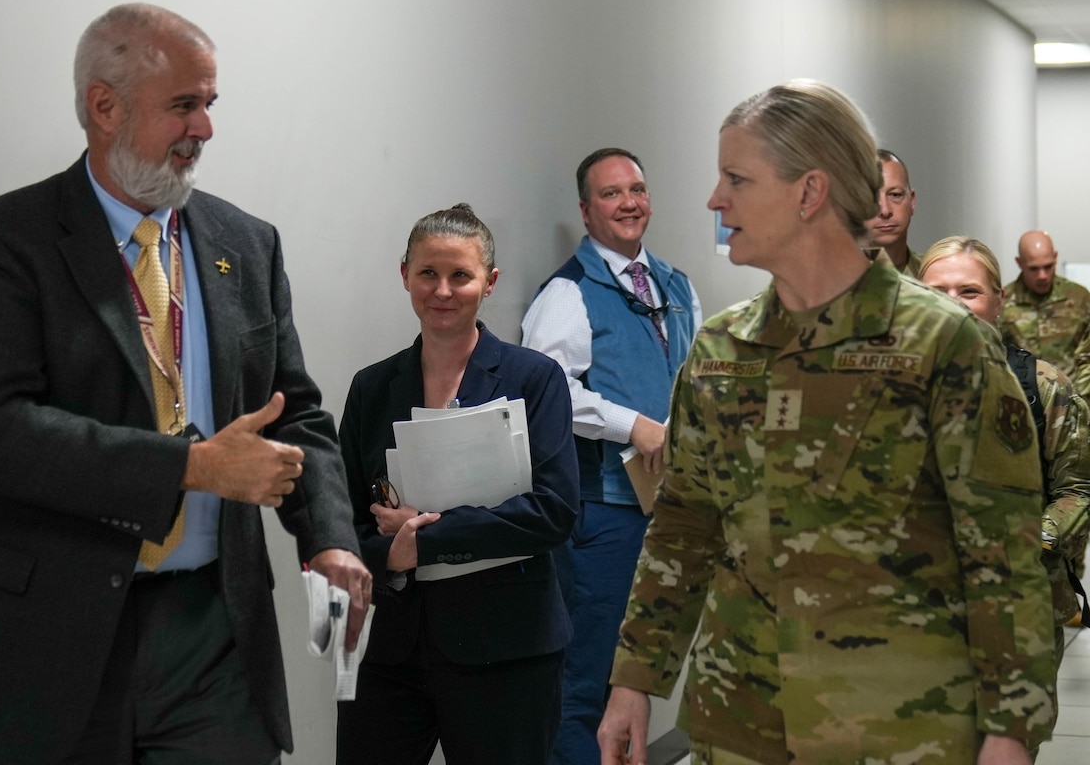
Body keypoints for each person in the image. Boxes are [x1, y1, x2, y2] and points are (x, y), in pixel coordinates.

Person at [0, 3, 370, 765]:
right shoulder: (5, 240)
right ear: (104, 106)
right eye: (184, 105)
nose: (206, 129)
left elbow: (296, 414)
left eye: (209, 104)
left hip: (214, 636)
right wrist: (192, 468)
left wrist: (329, 540)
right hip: (53, 636)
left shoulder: (246, 243)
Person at [598, 80, 1056, 765]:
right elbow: (684, 523)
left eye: (736, 179)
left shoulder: (942, 344)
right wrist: (634, 679)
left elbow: (1001, 553)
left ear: (809, 192)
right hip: (742, 720)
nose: (714, 200)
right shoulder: (723, 352)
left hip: (904, 727)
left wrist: (1011, 729)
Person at [335, 204, 579, 765]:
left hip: (509, 651)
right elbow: (342, 513)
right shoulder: (371, 387)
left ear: (489, 283)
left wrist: (422, 542)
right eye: (427, 274)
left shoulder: (533, 379)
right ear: (404, 276)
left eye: (460, 276)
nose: (442, 290)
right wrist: (387, 553)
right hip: (392, 651)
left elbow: (554, 510)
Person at [521, 148, 701, 764]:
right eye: (611, 194)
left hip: (669, 512)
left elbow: (698, 377)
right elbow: (545, 392)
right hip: (603, 515)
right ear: (586, 210)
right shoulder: (567, 294)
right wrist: (635, 427)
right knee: (589, 679)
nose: (628, 203)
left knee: (639, 678)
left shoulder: (678, 287)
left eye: (637, 189)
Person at [919, 235, 1090, 759]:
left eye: (969, 290)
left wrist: (1028, 540)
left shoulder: (1043, 387)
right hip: (911, 613)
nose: (952, 302)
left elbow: (1077, 488)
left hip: (1020, 608)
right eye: (937, 289)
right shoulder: (881, 389)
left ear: (998, 299)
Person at [1001, 229, 1090, 397]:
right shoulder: (1003, 302)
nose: (1042, 276)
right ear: (1019, 263)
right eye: (1034, 269)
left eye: (1048, 267)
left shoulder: (1079, 297)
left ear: (1055, 257)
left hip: (1073, 400)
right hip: (1024, 402)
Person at [863, 148, 921, 275]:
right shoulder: (827, 284)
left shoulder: (935, 278)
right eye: (871, 198)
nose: (885, 211)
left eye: (895, 195)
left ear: (912, 201)